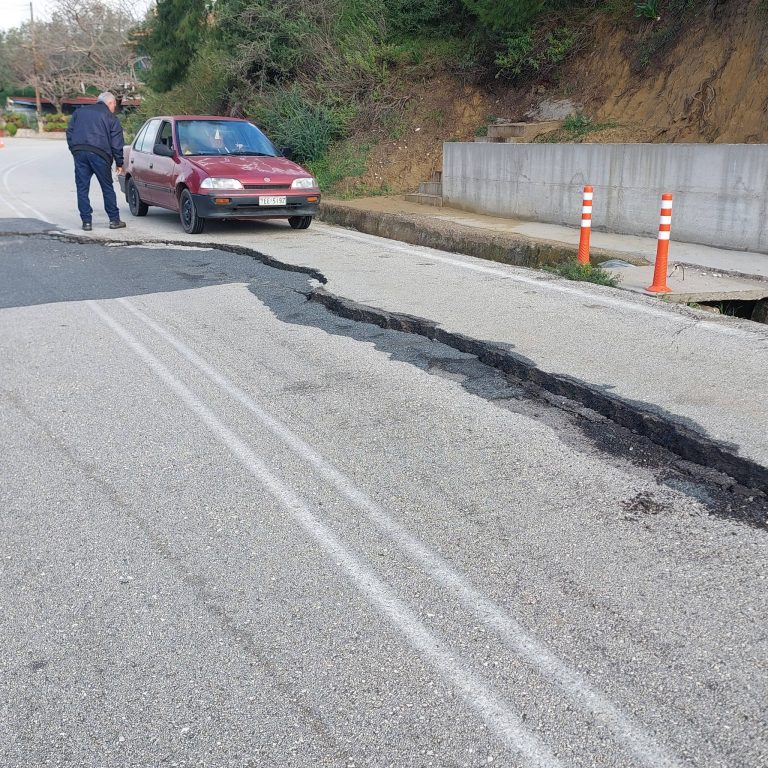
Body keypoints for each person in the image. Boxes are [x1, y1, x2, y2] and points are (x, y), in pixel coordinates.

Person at [65, 92, 126, 231]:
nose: (114, 108)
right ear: (109, 103)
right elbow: (117, 143)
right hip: (100, 155)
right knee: (107, 187)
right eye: (114, 105)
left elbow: (69, 132)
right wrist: (119, 162)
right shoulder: (111, 117)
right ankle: (114, 220)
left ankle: (86, 222)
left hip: (80, 153)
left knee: (82, 188)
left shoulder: (79, 112)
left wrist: (74, 149)